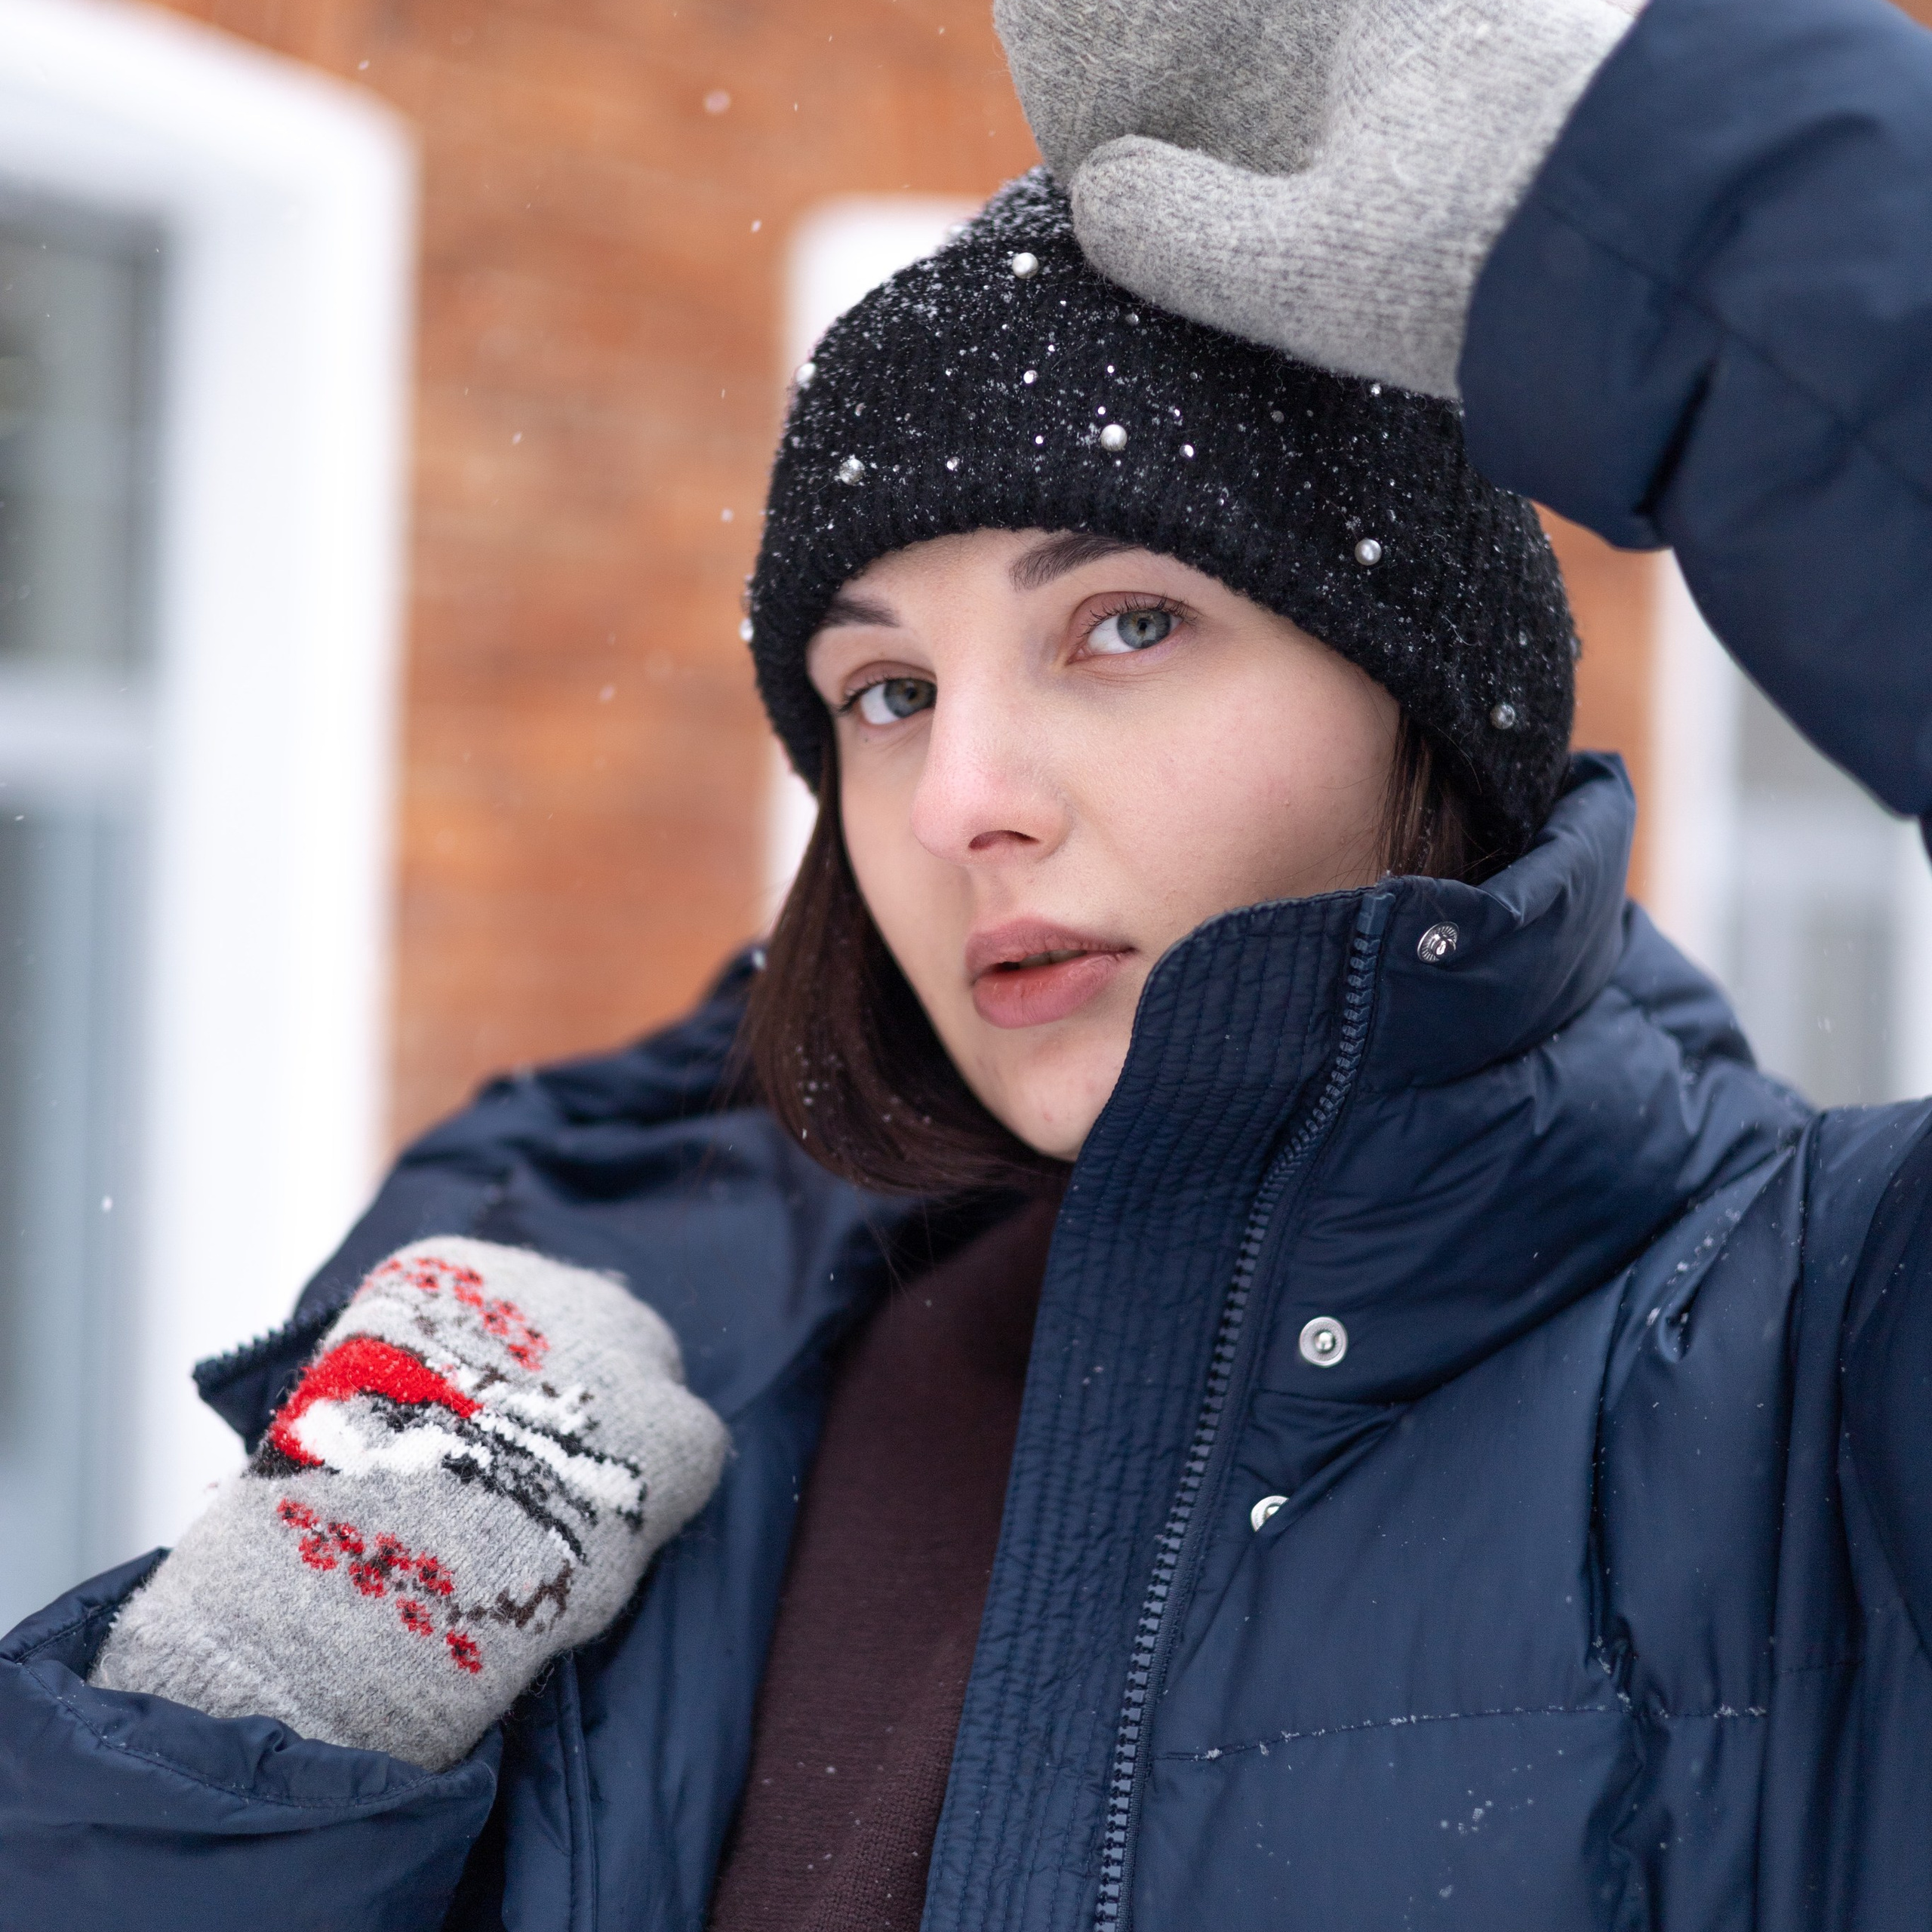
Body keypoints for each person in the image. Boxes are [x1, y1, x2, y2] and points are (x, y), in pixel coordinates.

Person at [3, 0, 1929, 1926]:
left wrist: (1672, 212)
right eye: (887, 689)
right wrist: (247, 1749)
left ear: (1418, 709)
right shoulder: (610, 1316)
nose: (958, 800)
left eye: (1122, 625)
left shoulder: (1801, 1379)